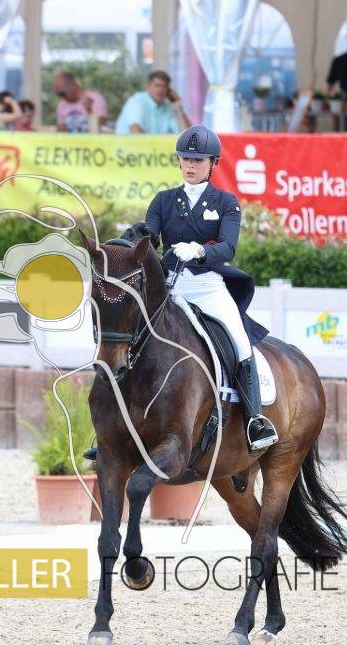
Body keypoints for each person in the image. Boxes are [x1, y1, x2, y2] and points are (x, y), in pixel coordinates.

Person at [83, 124, 278, 459]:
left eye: (197, 160)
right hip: (170, 287)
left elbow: (228, 247)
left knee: (241, 344)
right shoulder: (164, 201)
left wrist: (200, 250)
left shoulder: (226, 203)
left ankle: (254, 420)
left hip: (207, 287)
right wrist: (133, 238)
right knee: (129, 342)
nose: (190, 165)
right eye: (185, 159)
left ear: (212, 163)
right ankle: (107, 430)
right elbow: (150, 237)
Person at [115, 70, 190, 134]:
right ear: (148, 87)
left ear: (168, 90)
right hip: (128, 145)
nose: (160, 90)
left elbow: (187, 136)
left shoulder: (167, 108)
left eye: (164, 86)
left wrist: (180, 109)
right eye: (157, 86)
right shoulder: (137, 101)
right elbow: (135, 130)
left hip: (151, 146)